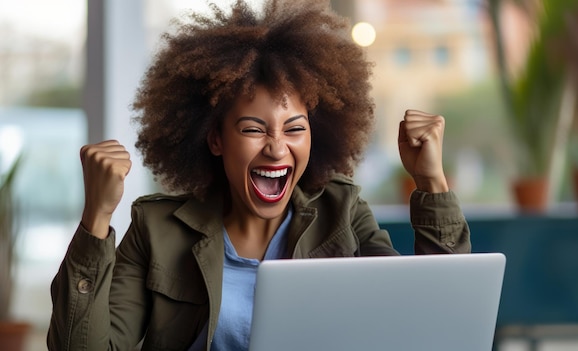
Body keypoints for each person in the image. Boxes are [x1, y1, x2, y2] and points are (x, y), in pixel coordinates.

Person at [47, 0, 470, 350]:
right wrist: (96, 220)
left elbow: (437, 324)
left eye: (295, 129)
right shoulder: (156, 230)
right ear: (215, 139)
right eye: (253, 129)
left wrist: (431, 182)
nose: (276, 146)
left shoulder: (342, 214)